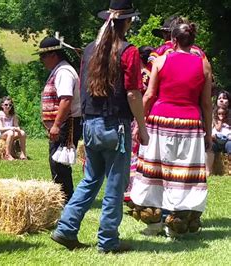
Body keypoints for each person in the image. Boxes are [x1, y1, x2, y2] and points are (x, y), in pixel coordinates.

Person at [51, 0, 148, 253]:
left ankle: (66, 228)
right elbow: (133, 94)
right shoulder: (129, 51)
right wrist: (142, 126)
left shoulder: (88, 51)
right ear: (126, 21)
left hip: (91, 123)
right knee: (116, 183)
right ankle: (108, 240)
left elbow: (82, 90)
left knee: (90, 179)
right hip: (117, 125)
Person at [130, 21, 213, 237]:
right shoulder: (203, 65)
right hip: (190, 125)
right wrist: (209, 133)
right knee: (183, 173)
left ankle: (154, 222)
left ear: (173, 40)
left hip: (160, 121)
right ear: (192, 41)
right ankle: (176, 225)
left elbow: (149, 95)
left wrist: (140, 122)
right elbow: (206, 103)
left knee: (156, 172)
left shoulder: (161, 60)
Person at [36, 36, 81, 202]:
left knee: (59, 163)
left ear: (54, 55)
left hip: (66, 125)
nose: (41, 60)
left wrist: (56, 125)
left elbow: (66, 99)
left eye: (43, 56)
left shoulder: (64, 72)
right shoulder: (60, 71)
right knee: (57, 162)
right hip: (63, 124)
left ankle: (65, 198)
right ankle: (63, 196)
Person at [124, 45, 153, 202]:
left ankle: (131, 188)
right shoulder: (152, 73)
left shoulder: (141, 75)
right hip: (150, 115)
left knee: (134, 152)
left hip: (138, 116)